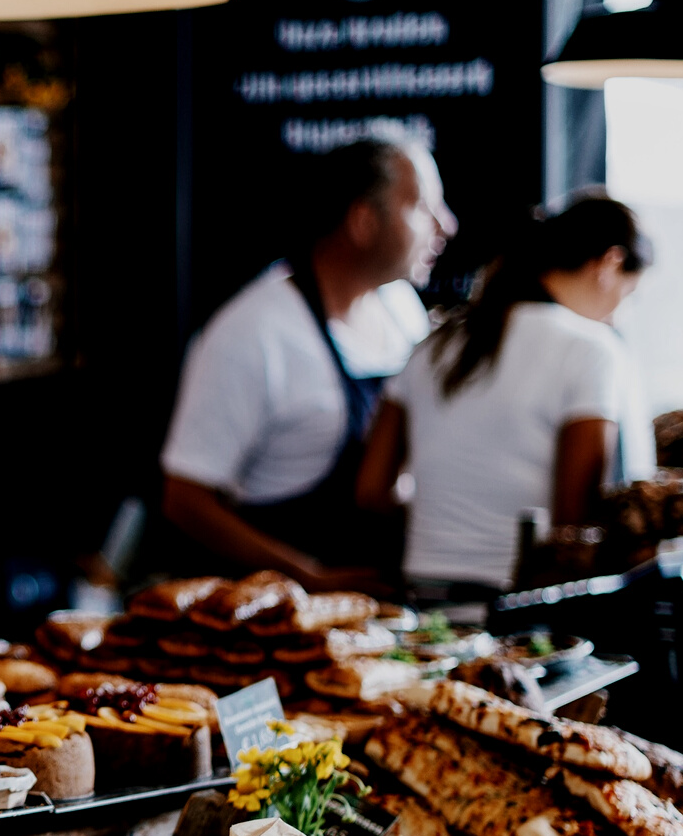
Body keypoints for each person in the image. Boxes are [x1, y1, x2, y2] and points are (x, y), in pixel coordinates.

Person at [161, 138, 457, 591]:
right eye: (422, 206)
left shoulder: (401, 308)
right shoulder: (253, 332)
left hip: (383, 606)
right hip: (275, 620)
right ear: (363, 221)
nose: (446, 225)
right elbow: (184, 500)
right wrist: (307, 579)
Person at [356, 193, 656, 596]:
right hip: (520, 608)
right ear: (610, 264)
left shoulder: (434, 344)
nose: (621, 312)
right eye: (630, 294)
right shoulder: (592, 350)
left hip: (422, 601)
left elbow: (372, 491)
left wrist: (450, 520)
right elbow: (573, 523)